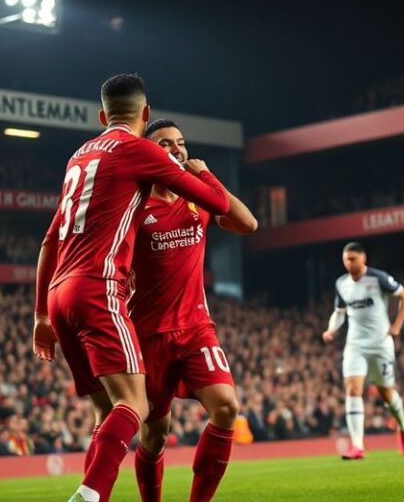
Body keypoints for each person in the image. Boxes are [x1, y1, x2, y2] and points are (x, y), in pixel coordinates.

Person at [32, 74, 231, 502]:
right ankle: (88, 495)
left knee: (105, 413)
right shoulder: (140, 150)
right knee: (134, 406)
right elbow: (217, 204)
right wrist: (205, 174)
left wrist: (40, 315)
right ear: (146, 114)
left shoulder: (79, 157)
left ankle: (90, 490)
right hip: (96, 288)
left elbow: (51, 239)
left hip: (58, 293)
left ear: (103, 116)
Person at [127, 119, 258, 502]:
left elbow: (248, 224)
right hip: (148, 333)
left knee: (227, 406)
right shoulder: (135, 205)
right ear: (149, 152)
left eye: (180, 143)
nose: (176, 149)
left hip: (197, 328)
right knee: (154, 434)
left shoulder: (196, 198)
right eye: (165, 143)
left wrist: (207, 176)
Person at [322, 242, 404, 460]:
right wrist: (330, 329)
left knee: (386, 393)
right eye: (346, 259)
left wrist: (397, 325)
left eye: (353, 258)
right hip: (355, 345)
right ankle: (357, 445)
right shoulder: (341, 284)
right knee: (353, 389)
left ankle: (403, 426)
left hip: (380, 344)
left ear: (364, 258)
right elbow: (339, 312)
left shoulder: (378, 278)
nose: (349, 263)